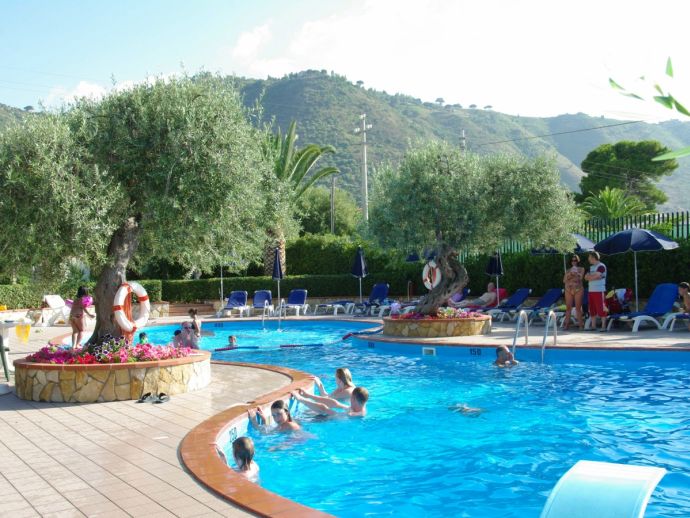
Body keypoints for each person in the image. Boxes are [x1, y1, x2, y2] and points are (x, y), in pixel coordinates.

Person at [291, 386, 369, 418]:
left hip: (339, 419)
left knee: (324, 408)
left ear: (354, 399)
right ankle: (308, 395)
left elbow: (349, 414)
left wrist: (349, 412)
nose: (349, 400)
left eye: (351, 398)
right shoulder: (360, 403)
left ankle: (300, 399)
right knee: (335, 403)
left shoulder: (361, 413)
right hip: (343, 414)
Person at [584, 251, 608, 332]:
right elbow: (585, 277)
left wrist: (591, 277)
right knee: (592, 308)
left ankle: (603, 326)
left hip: (599, 290)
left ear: (593, 257)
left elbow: (597, 275)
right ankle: (593, 326)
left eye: (589, 257)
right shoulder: (591, 267)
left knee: (601, 307)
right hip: (591, 290)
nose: (588, 259)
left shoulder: (601, 266)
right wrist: (593, 277)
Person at [563, 255, 585, 330]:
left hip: (578, 289)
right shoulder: (568, 270)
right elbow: (564, 280)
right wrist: (569, 274)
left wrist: (576, 273)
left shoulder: (581, 269)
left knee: (578, 308)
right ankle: (566, 325)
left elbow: (581, 278)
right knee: (568, 308)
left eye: (575, 260)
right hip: (568, 289)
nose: (574, 262)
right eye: (572, 260)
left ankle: (581, 325)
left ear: (578, 261)